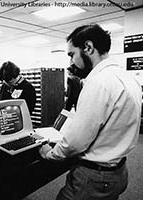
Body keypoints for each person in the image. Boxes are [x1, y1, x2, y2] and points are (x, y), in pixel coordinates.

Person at [39, 24, 142, 200]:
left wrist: (51, 154)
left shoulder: (98, 82)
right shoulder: (128, 77)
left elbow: (77, 141)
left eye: (72, 54)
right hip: (118, 172)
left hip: (94, 178)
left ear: (88, 47)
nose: (71, 62)